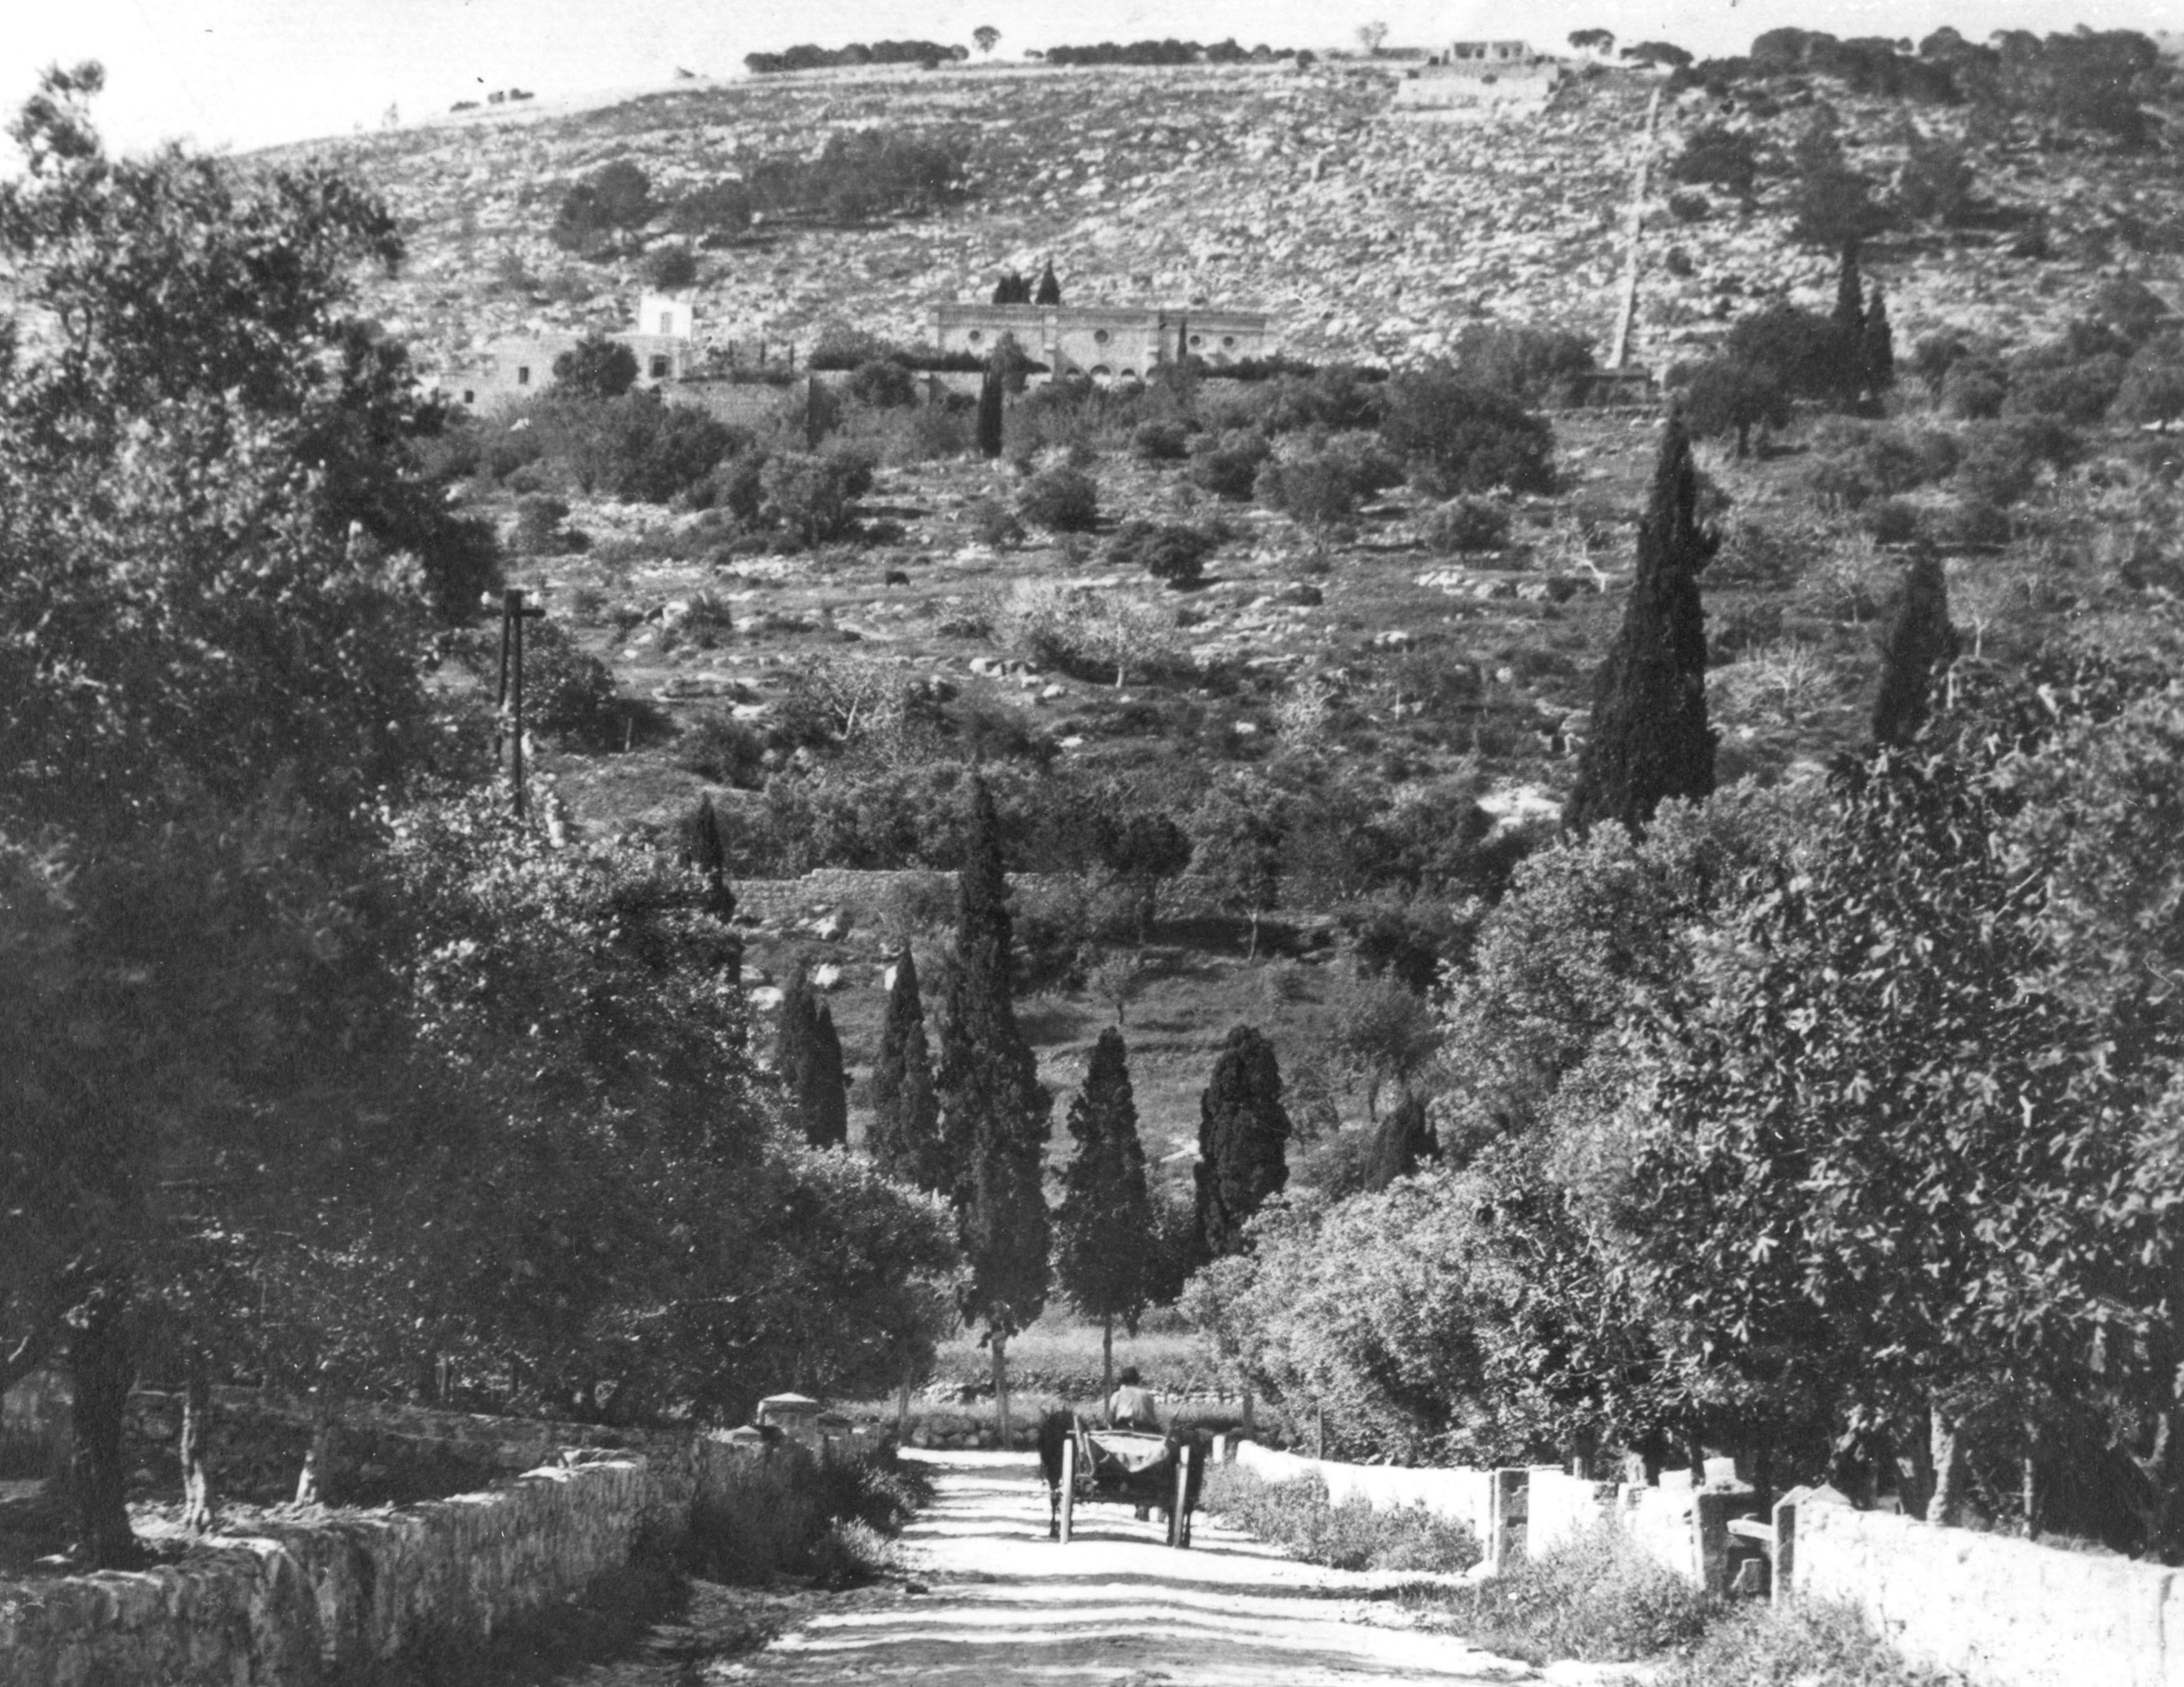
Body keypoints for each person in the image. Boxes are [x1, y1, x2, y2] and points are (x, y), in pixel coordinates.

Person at [1107, 1365, 1159, 1432]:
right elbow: (1153, 1419)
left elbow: (1110, 1419)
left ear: (1122, 1380)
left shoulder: (1117, 1395)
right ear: (1137, 1379)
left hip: (1123, 1431)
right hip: (1145, 1430)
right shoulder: (1146, 1395)